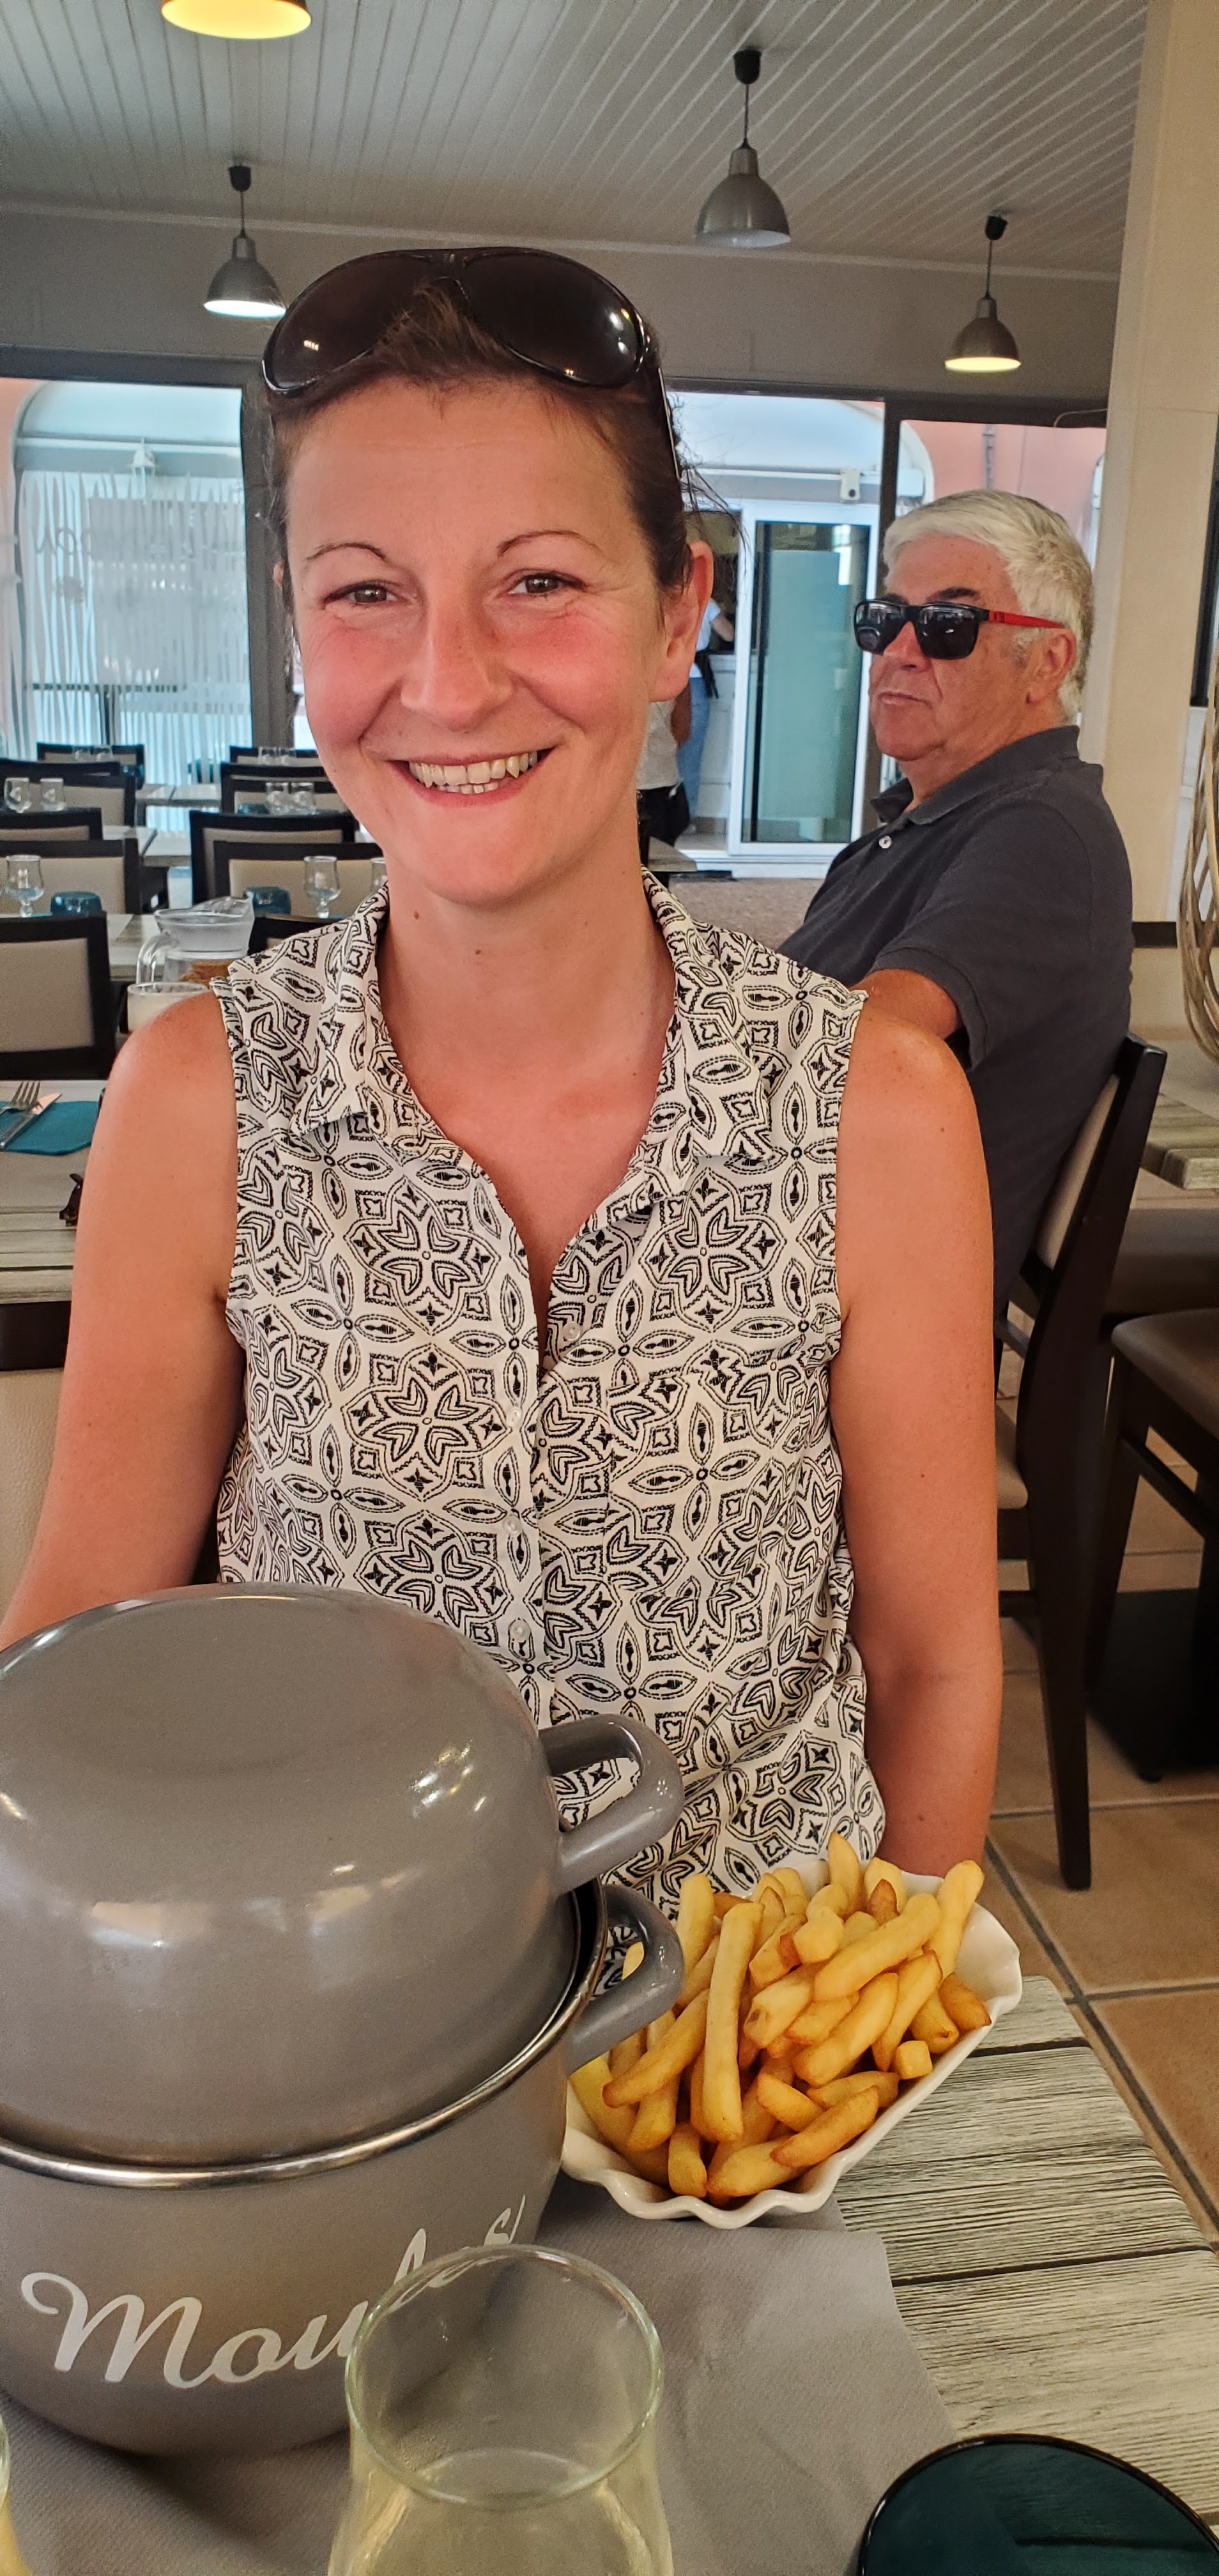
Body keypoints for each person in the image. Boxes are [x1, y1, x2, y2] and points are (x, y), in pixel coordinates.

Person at [0, 249, 1000, 1885]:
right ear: (296, 624)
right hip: (328, 2003)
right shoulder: (200, 1099)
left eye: (537, 581)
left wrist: (884, 2004)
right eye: (364, 592)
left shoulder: (871, 1113)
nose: (449, 683)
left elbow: (935, 1664)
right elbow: (89, 1640)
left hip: (746, 2017)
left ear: (677, 615)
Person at [782, 491, 1132, 1312]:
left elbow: (854, 1046)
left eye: (947, 625)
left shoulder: (1041, 831)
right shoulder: (920, 824)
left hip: (847, 1300)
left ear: (1047, 663)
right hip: (795, 1232)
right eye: (885, 620)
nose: (899, 652)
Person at [636, 694, 689, 859]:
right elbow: (682, 729)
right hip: (657, 780)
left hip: (653, 782)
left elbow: (681, 730)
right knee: (656, 861)